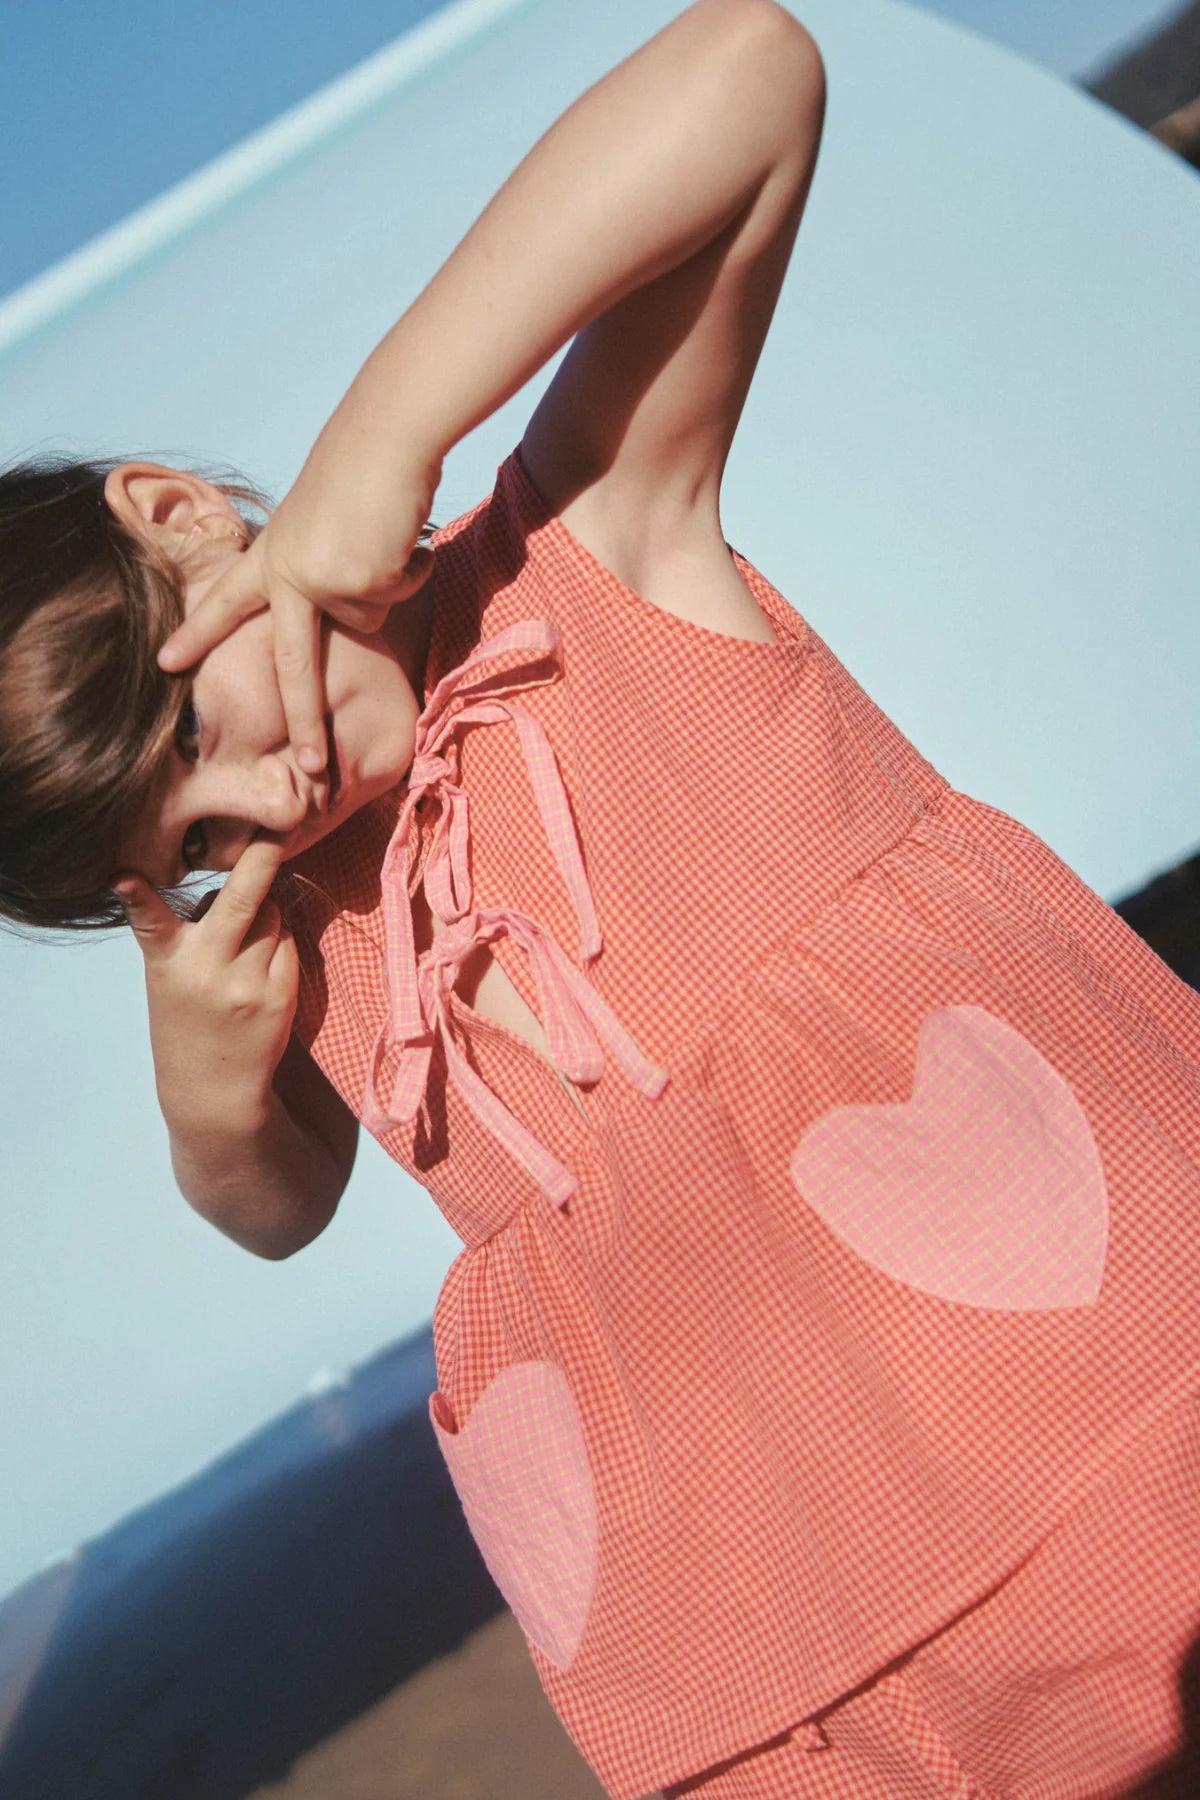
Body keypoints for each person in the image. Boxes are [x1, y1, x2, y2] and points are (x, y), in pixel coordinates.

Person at [3, 2, 1199, 1794]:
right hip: (783, 1625)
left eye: (197, 715)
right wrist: (205, 1110)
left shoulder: (587, 556)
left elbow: (749, 71)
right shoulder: (271, 912)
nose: (261, 800)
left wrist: (376, 447)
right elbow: (289, 1205)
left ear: (177, 511)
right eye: (175, 837)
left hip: (1112, 1420)